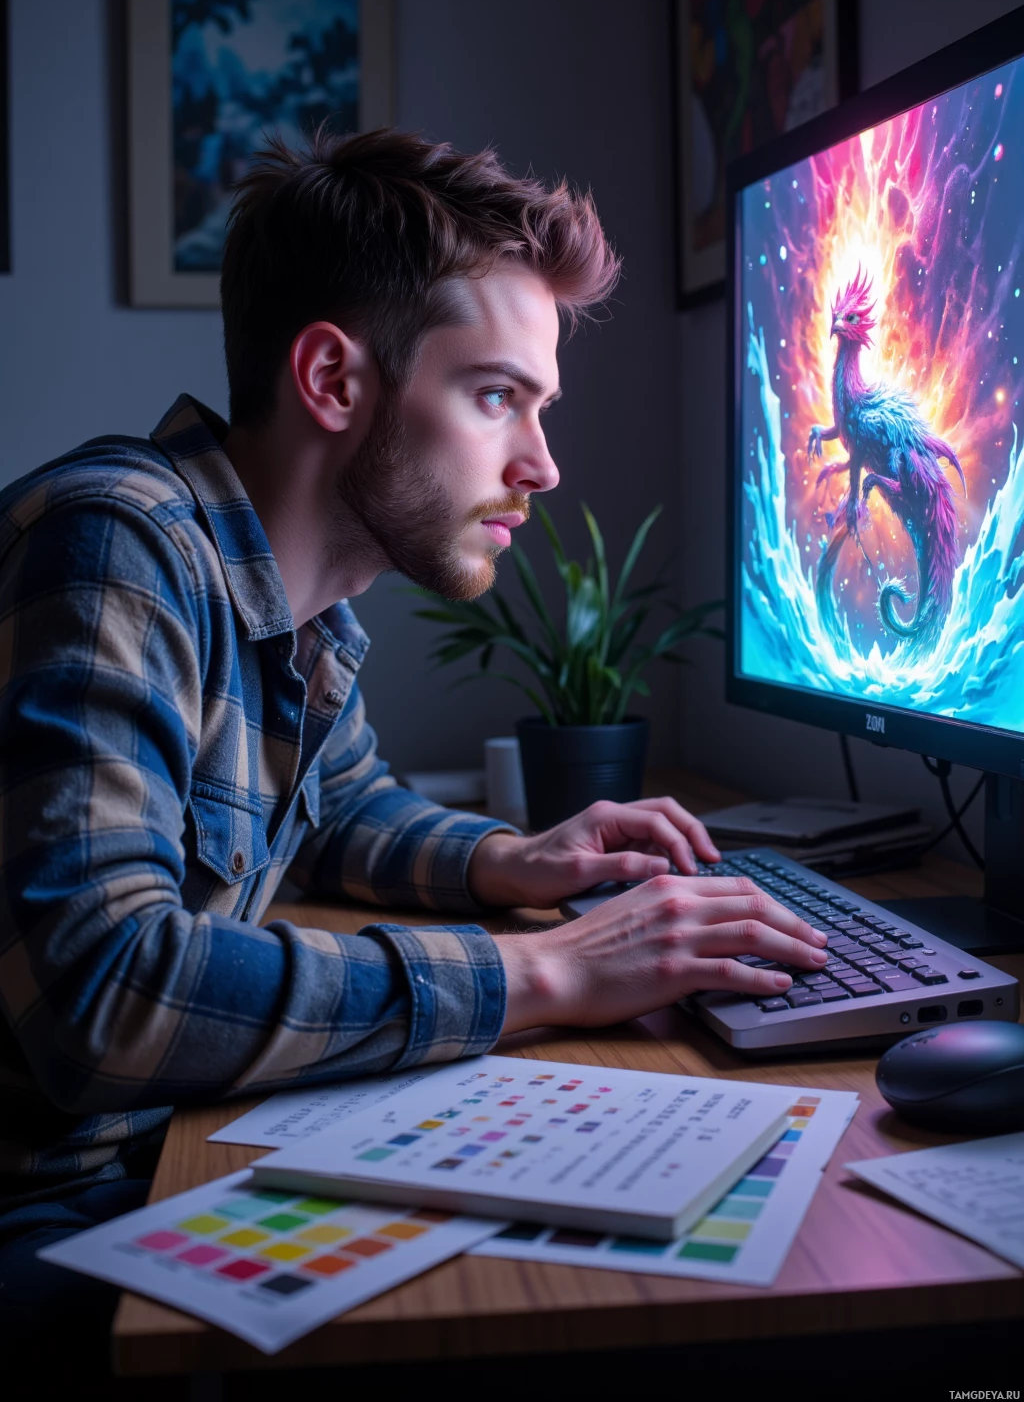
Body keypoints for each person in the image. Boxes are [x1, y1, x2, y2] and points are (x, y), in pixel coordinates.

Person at [0, 129, 827, 1351]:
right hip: (41, 1214)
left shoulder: (299, 607)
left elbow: (341, 808)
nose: (540, 465)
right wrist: (545, 974)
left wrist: (515, 861)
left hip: (133, 1169)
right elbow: (105, 993)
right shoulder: (119, 547)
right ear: (334, 381)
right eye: (497, 396)